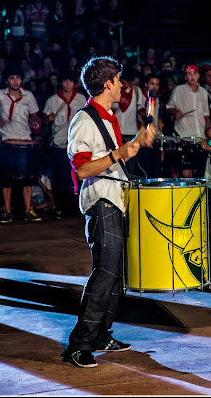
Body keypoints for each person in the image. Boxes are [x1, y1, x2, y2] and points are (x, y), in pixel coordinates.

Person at [62, 56, 155, 369]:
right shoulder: (85, 119)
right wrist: (119, 152)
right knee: (105, 273)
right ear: (106, 84)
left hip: (115, 198)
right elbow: (83, 168)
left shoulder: (107, 117)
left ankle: (101, 333)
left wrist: (136, 144)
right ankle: (79, 343)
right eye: (117, 79)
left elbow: (114, 159)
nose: (121, 85)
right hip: (101, 201)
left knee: (117, 276)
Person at [0, 67, 43, 223]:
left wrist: (35, 123)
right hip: (7, 140)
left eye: (18, 77)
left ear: (21, 79)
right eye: (12, 78)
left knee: (27, 177)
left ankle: (27, 211)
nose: (15, 80)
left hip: (25, 139)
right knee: (6, 178)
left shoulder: (28, 96)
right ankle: (6, 211)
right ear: (7, 80)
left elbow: (34, 115)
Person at [43, 71, 88, 216]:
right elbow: (44, 121)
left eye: (70, 81)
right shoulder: (53, 100)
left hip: (77, 143)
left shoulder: (81, 99)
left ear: (75, 83)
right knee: (60, 177)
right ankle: (60, 207)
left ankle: (76, 207)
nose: (68, 84)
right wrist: (48, 119)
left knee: (77, 176)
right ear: (60, 83)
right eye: (65, 81)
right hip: (59, 143)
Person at [165, 64, 210, 178]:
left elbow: (206, 114)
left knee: (201, 172)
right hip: (184, 137)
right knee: (186, 172)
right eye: (189, 74)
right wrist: (176, 112)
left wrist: (209, 131)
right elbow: (168, 106)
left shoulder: (203, 92)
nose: (192, 76)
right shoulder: (179, 90)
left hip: (200, 137)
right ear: (185, 77)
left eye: (194, 73)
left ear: (198, 75)